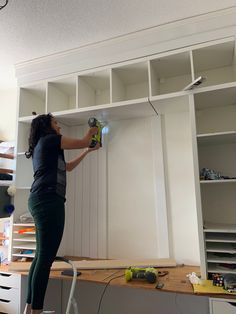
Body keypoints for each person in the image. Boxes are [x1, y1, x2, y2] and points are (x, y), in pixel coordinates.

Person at [23, 113, 100, 314]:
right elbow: (84, 139)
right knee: (45, 259)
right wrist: (92, 131)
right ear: (47, 126)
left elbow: (68, 168)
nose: (59, 126)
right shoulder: (50, 140)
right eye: (56, 123)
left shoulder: (45, 146)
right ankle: (36, 311)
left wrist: (87, 151)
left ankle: (29, 308)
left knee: (41, 257)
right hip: (48, 200)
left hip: (40, 199)